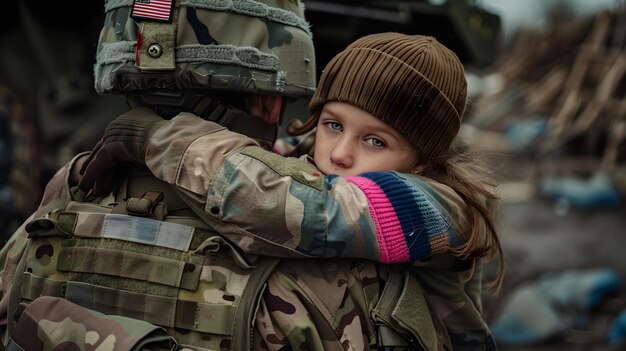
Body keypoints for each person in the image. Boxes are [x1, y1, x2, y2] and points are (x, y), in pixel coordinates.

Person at [0, 1, 502, 350]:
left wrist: (157, 140)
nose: (340, 154)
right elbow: (286, 169)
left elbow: (306, 208)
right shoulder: (317, 163)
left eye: (376, 140)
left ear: (424, 162)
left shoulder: (437, 208)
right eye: (332, 124)